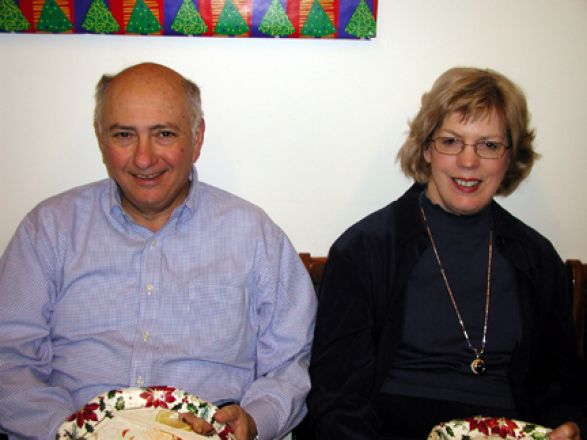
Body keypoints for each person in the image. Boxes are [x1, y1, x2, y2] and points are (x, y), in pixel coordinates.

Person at [0, 62, 317, 440]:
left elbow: (290, 363)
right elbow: (10, 357)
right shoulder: (48, 230)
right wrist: (68, 431)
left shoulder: (254, 236)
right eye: (123, 135)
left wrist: (253, 421)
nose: (144, 159)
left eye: (164, 134)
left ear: (197, 138)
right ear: (101, 139)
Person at [306, 67, 586, 439]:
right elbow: (336, 398)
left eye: (488, 145)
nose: (468, 162)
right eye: (452, 141)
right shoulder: (363, 251)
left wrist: (571, 425)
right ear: (426, 149)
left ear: (509, 156)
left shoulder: (537, 258)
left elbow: (562, 385)